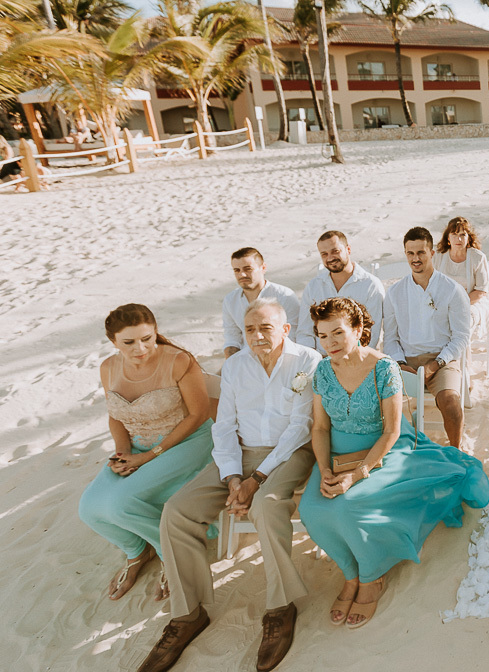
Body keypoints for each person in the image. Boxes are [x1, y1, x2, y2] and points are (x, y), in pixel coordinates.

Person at [139, 300, 321, 672]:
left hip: (289, 454)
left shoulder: (307, 361)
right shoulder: (235, 366)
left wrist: (256, 481)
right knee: (177, 511)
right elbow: (223, 427)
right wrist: (233, 477)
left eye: (265, 328)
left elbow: (300, 427)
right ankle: (188, 614)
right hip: (239, 456)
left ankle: (279, 607)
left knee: (266, 506)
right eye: (249, 330)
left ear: (285, 329)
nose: (256, 336)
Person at [298, 298, 489, 630]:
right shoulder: (322, 371)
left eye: (337, 333)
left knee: (349, 507)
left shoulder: (383, 367)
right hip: (335, 454)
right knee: (311, 508)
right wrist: (325, 469)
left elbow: (392, 429)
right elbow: (319, 427)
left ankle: (372, 577)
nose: (329, 343)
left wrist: (356, 476)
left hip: (382, 450)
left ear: (358, 330)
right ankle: (350, 572)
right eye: (322, 335)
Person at [79, 304, 213, 603]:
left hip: (187, 441)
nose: (141, 348)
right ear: (113, 341)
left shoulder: (178, 361)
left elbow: (199, 414)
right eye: (129, 342)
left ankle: (171, 553)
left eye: (147, 338)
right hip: (136, 445)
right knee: (88, 508)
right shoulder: (108, 368)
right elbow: (116, 415)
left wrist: (149, 455)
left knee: (121, 503)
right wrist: (123, 452)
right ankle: (137, 551)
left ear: (155, 333)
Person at [382, 226, 471, 447]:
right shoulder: (394, 293)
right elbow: (390, 338)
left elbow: (461, 337)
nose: (416, 258)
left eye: (421, 252)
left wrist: (437, 363)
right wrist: (400, 363)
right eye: (410, 253)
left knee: (450, 400)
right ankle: (392, 449)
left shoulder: (452, 289)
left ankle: (456, 449)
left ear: (431, 253)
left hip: (442, 358)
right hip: (405, 359)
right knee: (376, 398)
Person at [296, 230, 386, 352]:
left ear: (348, 250)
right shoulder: (314, 286)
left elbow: (371, 334)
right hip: (320, 359)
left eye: (335, 251)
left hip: (357, 358)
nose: (330, 258)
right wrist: (312, 360)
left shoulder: (370, 285)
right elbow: (305, 332)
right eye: (324, 254)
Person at [222, 247, 301, 358]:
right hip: (246, 358)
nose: (242, 275)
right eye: (237, 270)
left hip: (280, 357)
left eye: (247, 269)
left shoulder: (284, 295)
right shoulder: (230, 300)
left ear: (263, 267)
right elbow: (232, 337)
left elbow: (294, 335)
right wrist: (232, 364)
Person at [434, 216, 489, 337]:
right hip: (443, 304)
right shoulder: (439, 256)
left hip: (471, 303)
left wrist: (458, 304)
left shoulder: (478, 258)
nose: (458, 239)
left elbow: (481, 291)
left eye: (462, 235)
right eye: (454, 234)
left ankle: (456, 355)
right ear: (448, 237)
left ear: (468, 238)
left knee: (461, 321)